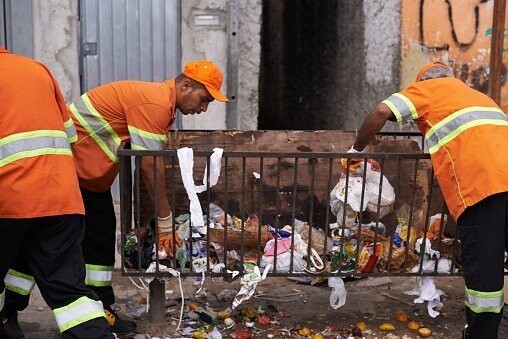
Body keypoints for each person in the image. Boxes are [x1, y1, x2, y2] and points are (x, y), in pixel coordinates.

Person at [3, 60, 229, 335]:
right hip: (72, 175)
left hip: (86, 179)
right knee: (42, 244)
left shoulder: (158, 102)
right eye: (204, 99)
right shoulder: (155, 103)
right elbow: (150, 164)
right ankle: (9, 312)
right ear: (185, 85)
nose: (203, 108)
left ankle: (100, 307)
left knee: (98, 244)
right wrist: (165, 219)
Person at [344, 61, 508, 338]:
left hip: (483, 188)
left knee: (485, 274)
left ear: (422, 83)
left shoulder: (428, 91)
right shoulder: (481, 98)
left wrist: (355, 149)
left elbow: (383, 111)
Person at [0, 47, 115, 338]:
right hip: (62, 198)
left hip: (10, 199)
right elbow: (71, 135)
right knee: (70, 294)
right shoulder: (38, 69)